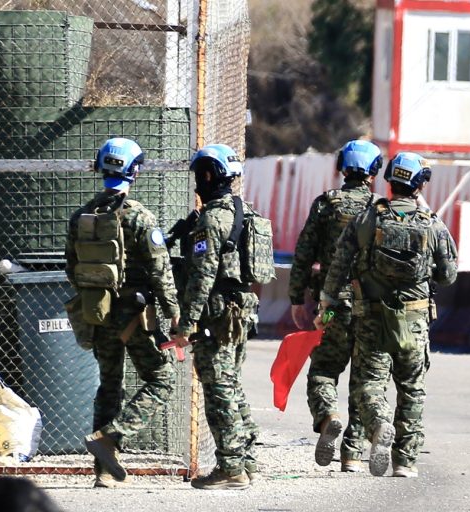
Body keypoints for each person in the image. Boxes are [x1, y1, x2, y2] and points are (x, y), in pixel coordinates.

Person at [319, 152, 458, 478]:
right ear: (420, 184)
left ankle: (379, 423)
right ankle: (405, 462)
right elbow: (448, 275)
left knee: (369, 387)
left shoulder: (368, 219)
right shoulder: (433, 224)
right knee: (411, 390)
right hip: (414, 322)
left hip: (372, 319)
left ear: (390, 181)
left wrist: (327, 301)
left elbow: (340, 263)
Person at [65, 137, 180, 488]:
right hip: (135, 316)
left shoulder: (81, 217)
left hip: (96, 313)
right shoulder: (140, 217)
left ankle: (103, 472)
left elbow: (72, 268)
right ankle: (111, 437)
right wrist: (175, 313)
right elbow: (161, 271)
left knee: (109, 385)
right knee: (162, 378)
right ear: (135, 170)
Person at [170, 144, 271, 490]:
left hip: (216, 317)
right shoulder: (246, 213)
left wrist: (187, 325)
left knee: (218, 391)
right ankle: (246, 459)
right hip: (241, 312)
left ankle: (231, 468)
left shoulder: (212, 219)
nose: (198, 182)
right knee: (232, 385)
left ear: (210, 175)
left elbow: (202, 278)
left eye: (200, 175)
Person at [288, 139, 383, 472]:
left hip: (331, 306)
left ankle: (328, 414)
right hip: (370, 307)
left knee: (324, 369)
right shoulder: (379, 209)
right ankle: (353, 454)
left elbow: (303, 254)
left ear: (342, 167)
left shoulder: (325, 205)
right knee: (363, 377)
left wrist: (297, 298)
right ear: (374, 171)